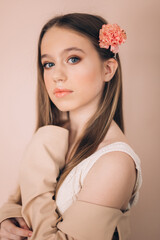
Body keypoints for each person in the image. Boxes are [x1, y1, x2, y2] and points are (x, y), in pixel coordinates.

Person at [0, 12, 142, 240]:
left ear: (108, 69)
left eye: (73, 59)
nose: (57, 75)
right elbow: (18, 201)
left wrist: (40, 150)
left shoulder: (115, 162)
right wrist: (7, 220)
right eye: (48, 63)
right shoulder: (56, 131)